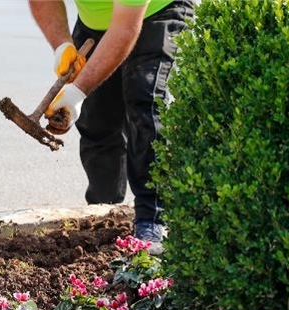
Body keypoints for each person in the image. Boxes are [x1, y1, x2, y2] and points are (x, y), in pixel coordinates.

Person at [28, 0, 195, 254]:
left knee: (146, 99)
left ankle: (153, 219)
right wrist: (61, 45)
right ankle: (105, 211)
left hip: (158, 11)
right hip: (95, 21)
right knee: (97, 120)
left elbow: (125, 28)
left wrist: (77, 92)